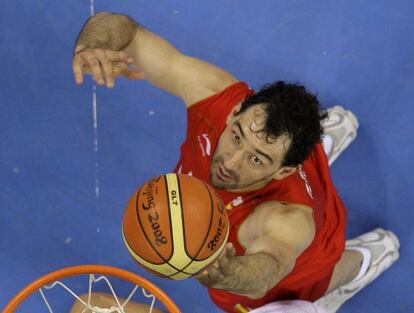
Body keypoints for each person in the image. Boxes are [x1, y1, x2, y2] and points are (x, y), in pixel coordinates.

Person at [71, 12, 399, 313]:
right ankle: (314, 142)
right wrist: (94, 45)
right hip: (286, 158)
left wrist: (228, 273)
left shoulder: (286, 216)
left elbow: (270, 266)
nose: (231, 160)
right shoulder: (216, 95)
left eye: (256, 158)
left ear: (284, 171)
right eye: (237, 135)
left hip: (305, 266)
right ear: (234, 112)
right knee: (283, 138)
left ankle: (363, 261)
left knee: (322, 281)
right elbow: (124, 30)